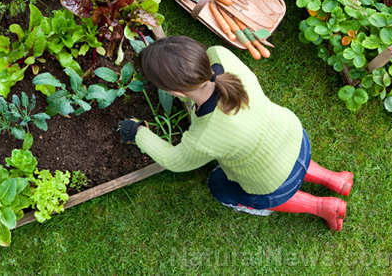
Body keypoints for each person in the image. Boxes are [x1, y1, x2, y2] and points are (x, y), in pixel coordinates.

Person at [118, 36, 353, 231]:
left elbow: (174, 160)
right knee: (281, 157)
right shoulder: (221, 56)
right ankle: (335, 179)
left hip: (273, 182)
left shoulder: (205, 136)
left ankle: (322, 207)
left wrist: (137, 131)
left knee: (218, 185)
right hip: (295, 137)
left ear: (176, 92)